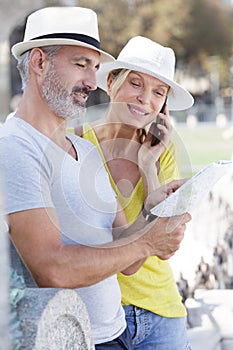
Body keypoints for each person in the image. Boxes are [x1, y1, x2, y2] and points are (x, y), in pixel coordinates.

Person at [0, 8, 191, 349]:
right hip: (72, 337)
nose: (91, 82)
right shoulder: (15, 147)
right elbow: (52, 270)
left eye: (94, 67)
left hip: (112, 332)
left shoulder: (82, 151)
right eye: (80, 64)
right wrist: (149, 241)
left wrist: (150, 213)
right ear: (39, 63)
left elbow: (128, 260)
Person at [75, 36, 194, 349]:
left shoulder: (162, 153)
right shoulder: (76, 144)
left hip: (160, 315)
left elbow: (158, 247)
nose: (145, 99)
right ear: (112, 81)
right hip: (99, 319)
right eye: (136, 84)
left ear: (164, 105)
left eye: (158, 92)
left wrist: (148, 167)